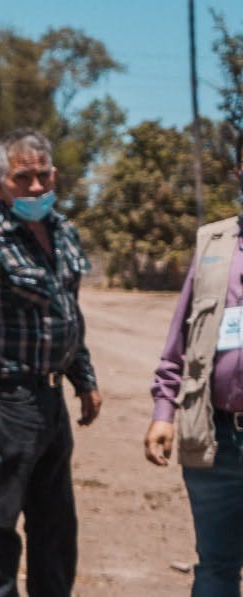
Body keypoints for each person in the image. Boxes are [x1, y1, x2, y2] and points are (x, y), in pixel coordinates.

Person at [0, 129, 103, 597]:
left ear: (55, 176)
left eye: (42, 176)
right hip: (4, 405)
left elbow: (67, 313)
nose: (35, 188)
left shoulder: (63, 230)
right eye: (22, 178)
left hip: (50, 400)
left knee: (55, 522)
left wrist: (84, 379)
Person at [145, 142, 243, 596]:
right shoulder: (215, 243)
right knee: (216, 567)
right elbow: (179, 340)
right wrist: (164, 412)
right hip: (216, 438)